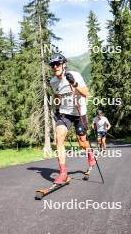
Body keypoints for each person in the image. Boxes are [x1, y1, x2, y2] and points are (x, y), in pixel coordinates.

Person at [49, 53, 96, 184]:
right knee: (59, 138)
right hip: (65, 114)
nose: (55, 66)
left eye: (57, 64)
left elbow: (87, 93)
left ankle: (90, 154)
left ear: (63, 65)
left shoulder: (75, 75)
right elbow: (56, 96)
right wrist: (57, 110)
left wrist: (74, 83)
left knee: (81, 142)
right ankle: (63, 172)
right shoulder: (53, 81)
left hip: (80, 113)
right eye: (52, 65)